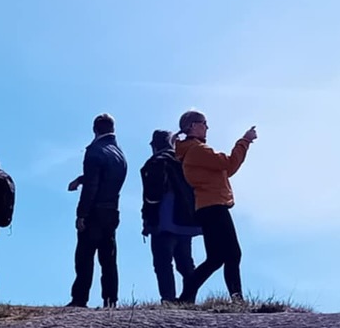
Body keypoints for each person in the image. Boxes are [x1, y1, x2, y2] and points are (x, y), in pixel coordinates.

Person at [175, 111, 257, 304]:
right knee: (233, 254)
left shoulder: (191, 150)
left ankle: (185, 298)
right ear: (192, 126)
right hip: (214, 206)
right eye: (204, 123)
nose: (207, 127)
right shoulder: (197, 150)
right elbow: (229, 163)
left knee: (216, 258)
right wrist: (244, 140)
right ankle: (237, 299)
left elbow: (228, 169)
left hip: (206, 207)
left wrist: (243, 144)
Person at [67, 114, 127, 308]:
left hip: (94, 211)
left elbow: (92, 186)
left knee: (84, 256)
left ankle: (80, 298)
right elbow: (104, 178)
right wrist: (81, 179)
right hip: (112, 210)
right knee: (108, 259)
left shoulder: (94, 151)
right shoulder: (119, 153)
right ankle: (111, 300)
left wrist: (82, 214)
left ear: (95, 129)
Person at [140, 128, 201, 303]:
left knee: (163, 262)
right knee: (186, 263)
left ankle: (168, 299)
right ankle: (189, 299)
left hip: (163, 221)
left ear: (154, 145)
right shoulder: (183, 161)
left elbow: (153, 194)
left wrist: (148, 217)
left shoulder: (156, 161)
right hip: (185, 221)